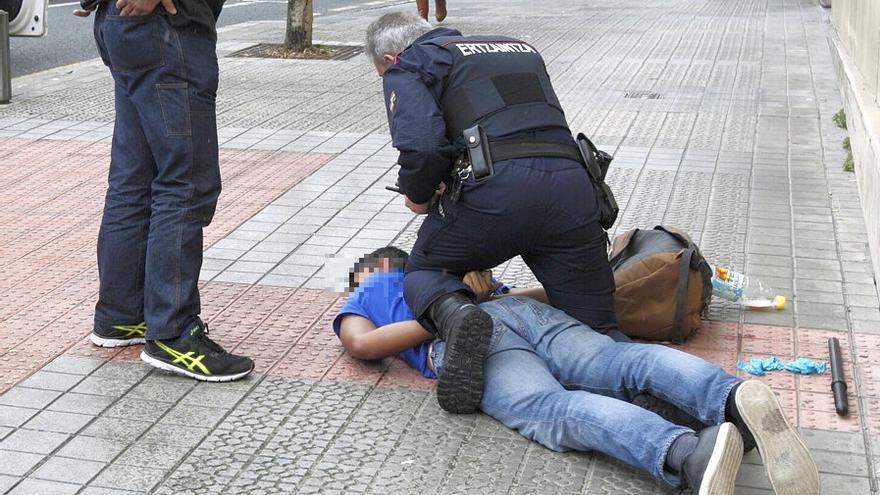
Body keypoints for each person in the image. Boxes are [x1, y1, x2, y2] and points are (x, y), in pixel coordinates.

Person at [333, 247, 820, 495]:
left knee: (554, 409)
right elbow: (528, 297)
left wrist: (447, 312)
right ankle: (731, 399)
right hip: (515, 309)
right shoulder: (449, 265)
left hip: (458, 336)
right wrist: (478, 296)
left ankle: (689, 454)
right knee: (617, 359)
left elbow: (360, 343)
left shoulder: (374, 287)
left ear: (372, 266)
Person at [365, 12, 622, 413]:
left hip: (496, 196)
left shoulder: (410, 63)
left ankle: (460, 317)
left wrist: (418, 196)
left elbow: (424, 147)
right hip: (574, 188)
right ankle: (681, 396)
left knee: (424, 272)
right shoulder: (518, 49)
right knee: (599, 329)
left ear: (389, 57)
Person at [75, 0, 254, 381]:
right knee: (185, 183)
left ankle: (122, 316)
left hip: (127, 26)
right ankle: (173, 334)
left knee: (134, 181)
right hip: (168, 30)